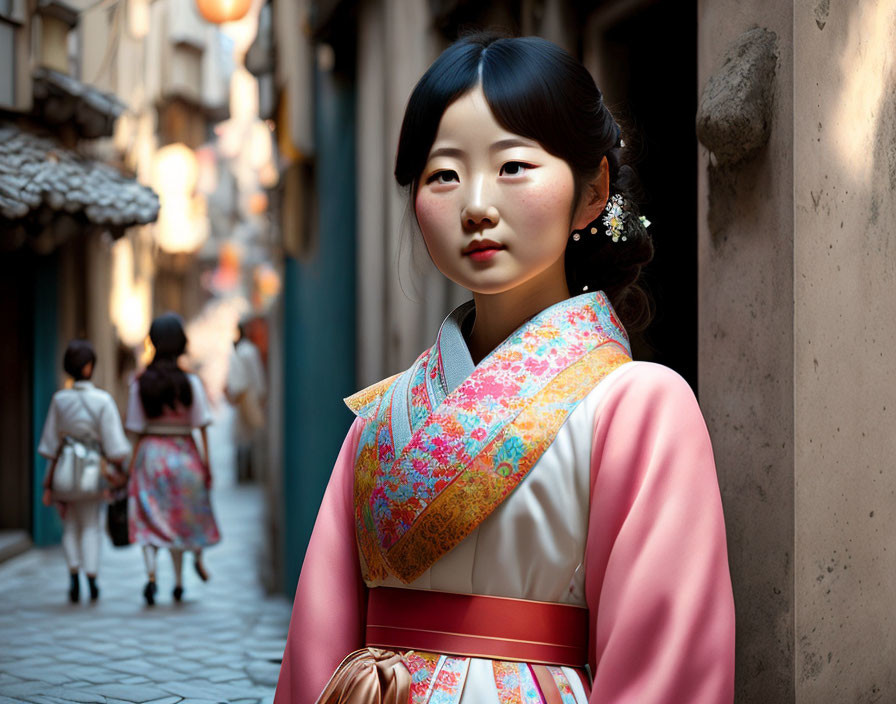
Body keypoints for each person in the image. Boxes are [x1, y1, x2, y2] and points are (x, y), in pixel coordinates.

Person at [275, 33, 735, 704]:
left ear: (592, 191)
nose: (476, 204)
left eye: (513, 165)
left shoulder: (639, 406)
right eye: (443, 173)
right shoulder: (380, 419)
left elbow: (661, 668)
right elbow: (317, 646)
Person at [126, 313, 220, 605]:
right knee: (178, 519)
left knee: (149, 517)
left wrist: (129, 468)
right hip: (184, 454)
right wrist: (206, 465)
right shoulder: (190, 383)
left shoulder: (140, 383)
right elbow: (202, 426)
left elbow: (135, 429)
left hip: (150, 455)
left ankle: (151, 575)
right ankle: (179, 582)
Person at [38, 339, 130, 603]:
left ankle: (73, 577)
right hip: (92, 472)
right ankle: (92, 578)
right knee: (90, 525)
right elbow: (116, 447)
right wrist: (118, 471)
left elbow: (50, 445)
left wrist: (48, 484)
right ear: (90, 367)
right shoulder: (102, 400)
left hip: (64, 469)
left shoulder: (59, 400)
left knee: (69, 526)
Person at [224, 317, 267, 482]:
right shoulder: (248, 350)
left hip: (242, 395)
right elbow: (256, 376)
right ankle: (248, 473)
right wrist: (261, 394)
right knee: (250, 436)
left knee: (243, 437)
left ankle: (244, 473)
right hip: (249, 396)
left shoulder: (241, 350)